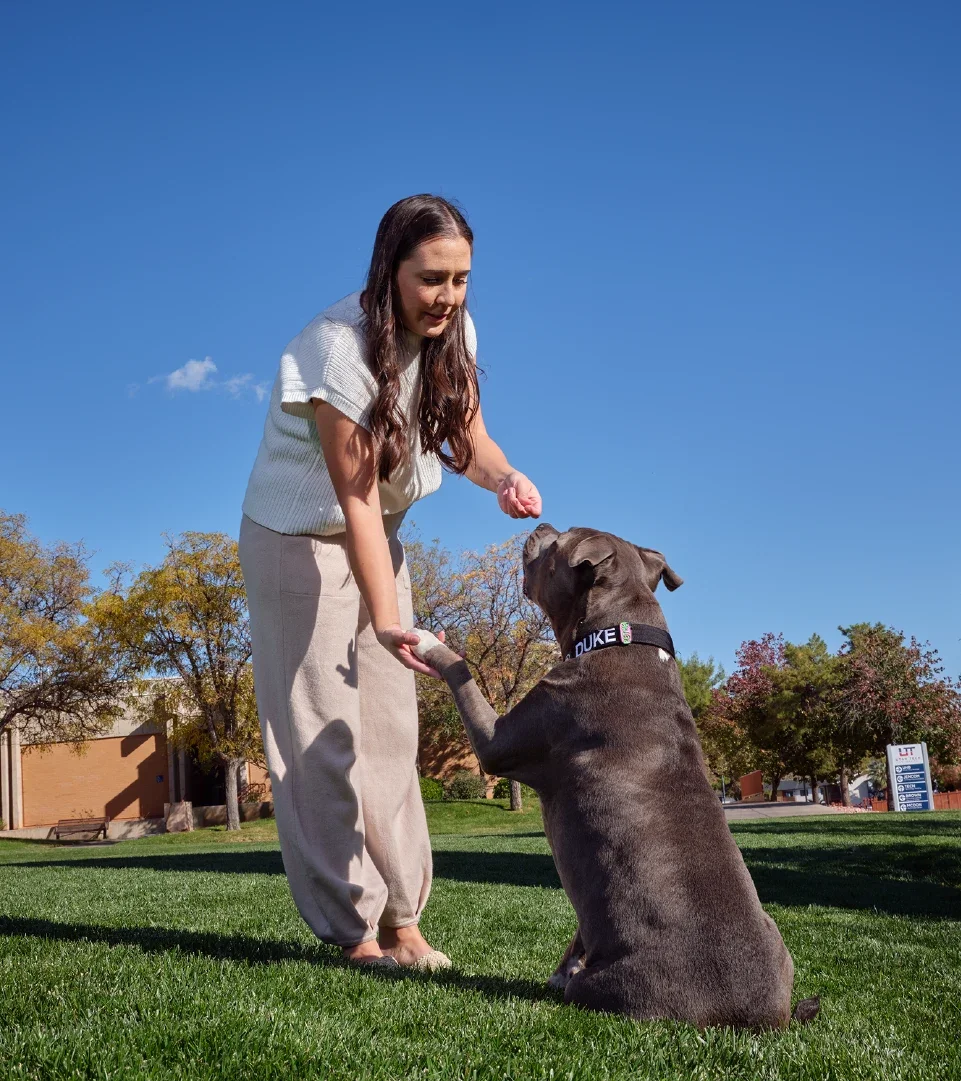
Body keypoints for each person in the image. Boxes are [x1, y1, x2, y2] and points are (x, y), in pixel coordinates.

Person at [238, 194, 541, 968]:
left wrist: (503, 477)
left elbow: (465, 434)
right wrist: (384, 617)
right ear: (390, 270)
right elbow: (358, 498)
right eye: (431, 278)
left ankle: (405, 922)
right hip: (296, 543)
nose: (447, 296)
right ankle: (354, 932)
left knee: (390, 734)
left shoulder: (452, 331)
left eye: (462, 279)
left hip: (378, 541)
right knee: (319, 741)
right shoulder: (336, 351)